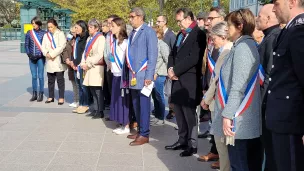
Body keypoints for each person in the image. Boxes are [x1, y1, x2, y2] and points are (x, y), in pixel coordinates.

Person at [212, 9, 261, 171]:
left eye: (229, 25)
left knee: (239, 165)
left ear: (240, 26)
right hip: (240, 119)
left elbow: (238, 86)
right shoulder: (242, 45)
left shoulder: (243, 48)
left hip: (239, 120)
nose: (226, 29)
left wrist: (227, 115)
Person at [265, 0, 304, 170]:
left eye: (277, 3)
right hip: (282, 118)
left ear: (292, 2)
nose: (273, 8)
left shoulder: (299, 31)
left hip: (291, 120)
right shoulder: (289, 29)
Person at [165, 8, 206, 157]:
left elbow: (194, 57)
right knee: (179, 112)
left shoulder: (199, 34)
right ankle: (182, 140)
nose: (178, 24)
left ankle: (192, 144)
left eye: (179, 21)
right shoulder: (180, 35)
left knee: (189, 114)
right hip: (176, 79)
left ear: (188, 18)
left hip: (189, 81)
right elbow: (172, 54)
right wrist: (170, 68)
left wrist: (175, 70)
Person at [200, 21, 232, 171]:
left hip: (221, 102)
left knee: (221, 142)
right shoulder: (227, 50)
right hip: (220, 101)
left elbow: (217, 80)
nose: (213, 41)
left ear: (223, 36)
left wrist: (206, 99)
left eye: (214, 38)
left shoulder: (226, 52)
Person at [123, 7, 158, 146]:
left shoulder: (148, 32)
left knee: (143, 105)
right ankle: (140, 130)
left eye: (132, 16)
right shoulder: (132, 32)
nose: (130, 19)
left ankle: (145, 134)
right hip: (133, 75)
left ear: (140, 17)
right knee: (136, 105)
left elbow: (152, 55)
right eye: (130, 16)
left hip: (144, 75)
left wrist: (149, 75)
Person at [199, 6, 226, 163]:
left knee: (218, 124)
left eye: (212, 18)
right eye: (208, 19)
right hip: (209, 84)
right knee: (213, 121)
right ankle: (215, 151)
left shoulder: (225, 43)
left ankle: (220, 155)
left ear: (221, 19)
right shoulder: (209, 38)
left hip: (219, 90)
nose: (208, 21)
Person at [256, 4, 280, 171]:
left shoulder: (272, 38)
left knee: (271, 155)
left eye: (259, 16)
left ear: (269, 18)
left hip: (268, 105)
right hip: (266, 104)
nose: (257, 18)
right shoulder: (268, 36)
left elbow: (269, 75)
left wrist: (262, 105)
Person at [80, 18, 106, 119]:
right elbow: (85, 53)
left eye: (91, 27)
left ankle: (100, 110)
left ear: (96, 28)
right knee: (91, 88)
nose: (89, 29)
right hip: (88, 66)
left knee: (97, 89)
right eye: (89, 27)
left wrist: (89, 63)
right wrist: (83, 63)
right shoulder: (89, 38)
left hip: (96, 67)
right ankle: (95, 109)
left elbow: (99, 54)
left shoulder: (100, 38)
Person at [109, 17, 130, 135]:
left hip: (123, 75)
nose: (110, 28)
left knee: (124, 100)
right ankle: (121, 122)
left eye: (113, 26)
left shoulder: (125, 42)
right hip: (115, 73)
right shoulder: (114, 41)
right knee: (117, 99)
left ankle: (126, 125)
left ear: (120, 27)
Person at [41, 18, 67, 105]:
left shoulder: (60, 34)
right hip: (49, 60)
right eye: (48, 27)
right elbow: (43, 47)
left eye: (51, 27)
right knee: (50, 80)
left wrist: (52, 54)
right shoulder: (46, 35)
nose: (50, 29)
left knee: (60, 80)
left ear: (55, 26)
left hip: (57, 59)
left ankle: (61, 97)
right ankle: (51, 96)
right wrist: (47, 54)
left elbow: (61, 46)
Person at [156, 15, 176, 120]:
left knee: (168, 92)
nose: (157, 23)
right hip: (160, 70)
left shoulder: (171, 35)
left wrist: (172, 68)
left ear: (165, 22)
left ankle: (172, 111)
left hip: (168, 69)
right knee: (161, 92)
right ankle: (159, 109)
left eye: (159, 21)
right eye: (157, 21)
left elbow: (173, 52)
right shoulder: (161, 35)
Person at [150, 26, 169, 126]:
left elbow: (166, 59)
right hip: (153, 73)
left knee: (159, 95)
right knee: (154, 95)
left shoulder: (162, 45)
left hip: (160, 74)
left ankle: (161, 117)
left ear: (158, 34)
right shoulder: (154, 44)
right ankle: (157, 116)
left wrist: (157, 72)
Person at [25, 16, 46, 102]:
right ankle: (34, 94)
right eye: (32, 23)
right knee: (34, 76)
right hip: (32, 58)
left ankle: (41, 93)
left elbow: (45, 46)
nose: (33, 25)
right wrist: (29, 54)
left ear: (38, 23)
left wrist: (41, 54)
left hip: (40, 58)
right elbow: (26, 45)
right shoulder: (29, 33)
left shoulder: (44, 33)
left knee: (40, 76)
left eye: (34, 23)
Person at [71, 20, 90, 114]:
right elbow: (75, 51)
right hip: (75, 65)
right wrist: (73, 63)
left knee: (83, 86)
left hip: (82, 65)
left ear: (82, 27)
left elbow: (84, 53)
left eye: (77, 27)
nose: (75, 29)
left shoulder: (86, 37)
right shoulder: (77, 38)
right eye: (75, 27)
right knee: (79, 85)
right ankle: (81, 104)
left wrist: (79, 64)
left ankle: (85, 104)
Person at [103, 14, 119, 109]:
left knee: (117, 91)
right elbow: (106, 51)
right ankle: (113, 110)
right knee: (111, 89)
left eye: (110, 23)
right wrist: (108, 63)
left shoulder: (119, 36)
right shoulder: (108, 35)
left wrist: (113, 63)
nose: (109, 25)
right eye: (108, 23)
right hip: (109, 66)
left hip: (117, 68)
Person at [62, 26, 79, 108]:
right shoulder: (69, 40)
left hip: (78, 64)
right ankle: (76, 100)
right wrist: (67, 59)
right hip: (70, 65)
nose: (73, 34)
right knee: (74, 83)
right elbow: (64, 50)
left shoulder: (81, 40)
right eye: (72, 32)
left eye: (75, 32)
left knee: (80, 84)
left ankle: (81, 101)